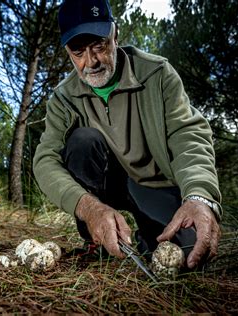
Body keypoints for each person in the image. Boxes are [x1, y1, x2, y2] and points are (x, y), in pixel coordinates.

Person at [33, 0, 222, 269]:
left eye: (99, 46)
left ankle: (146, 238)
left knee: (190, 255)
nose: (91, 61)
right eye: (78, 52)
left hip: (152, 185)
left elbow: (188, 136)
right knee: (82, 141)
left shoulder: (157, 74)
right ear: (67, 52)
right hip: (104, 186)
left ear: (115, 35)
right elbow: (45, 161)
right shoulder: (63, 98)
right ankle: (95, 239)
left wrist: (199, 197)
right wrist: (88, 207)